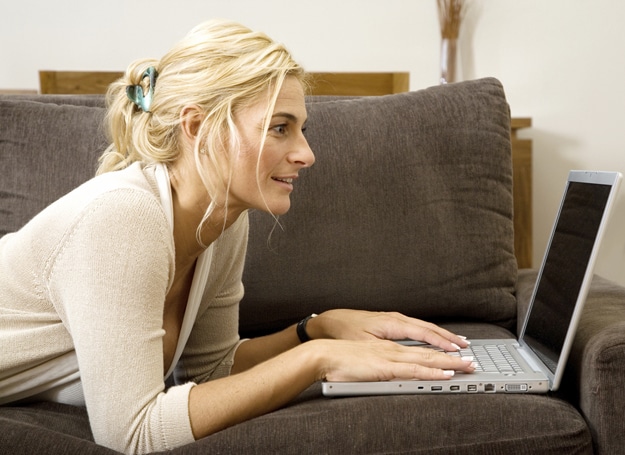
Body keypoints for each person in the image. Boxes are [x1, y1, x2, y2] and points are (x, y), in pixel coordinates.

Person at [0, 19, 475, 454]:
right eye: (280, 128)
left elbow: (212, 372)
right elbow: (133, 434)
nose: (306, 154)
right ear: (197, 127)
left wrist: (315, 329)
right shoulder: (123, 217)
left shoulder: (222, 218)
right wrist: (316, 358)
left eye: (301, 129)